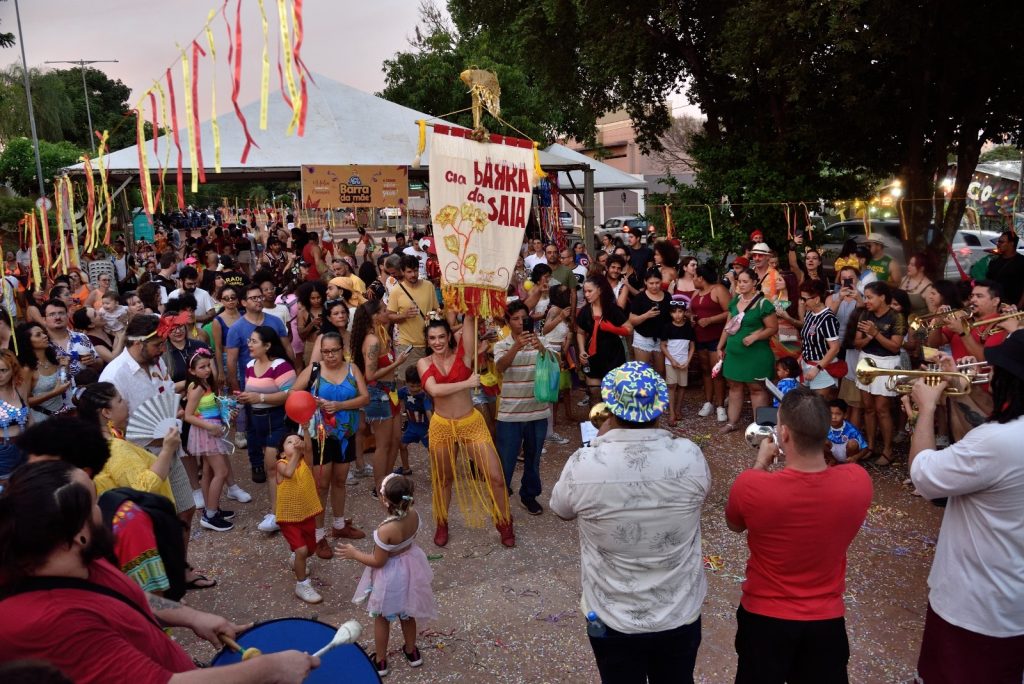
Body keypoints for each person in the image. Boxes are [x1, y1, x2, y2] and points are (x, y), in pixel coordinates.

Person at [0, 460, 320, 683]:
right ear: (76, 533)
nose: (104, 508)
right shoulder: (53, 621)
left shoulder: (77, 556)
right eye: (95, 503)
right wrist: (270, 669)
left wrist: (191, 617)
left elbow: (130, 598)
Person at [550, 362, 709, 683]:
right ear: (659, 407)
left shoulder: (584, 463)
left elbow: (560, 508)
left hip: (612, 616)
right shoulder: (690, 456)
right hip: (679, 612)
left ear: (610, 408)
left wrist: (599, 443)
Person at [726, 386, 873, 683]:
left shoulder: (751, 485)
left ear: (785, 434)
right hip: (826, 619)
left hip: (764, 616)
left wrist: (760, 464)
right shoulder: (858, 481)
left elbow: (735, 524)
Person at [907, 330, 1024, 684]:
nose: (990, 374)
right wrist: (963, 388)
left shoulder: (997, 442)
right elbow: (995, 425)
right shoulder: (1004, 436)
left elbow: (923, 475)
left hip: (975, 603)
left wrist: (926, 410)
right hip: (1011, 599)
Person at [417, 314, 514, 547]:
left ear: (449, 336)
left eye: (441, 336)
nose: (437, 342)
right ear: (427, 341)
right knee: (443, 479)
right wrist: (467, 383)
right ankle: (442, 522)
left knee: (496, 477)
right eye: (432, 338)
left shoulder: (464, 355)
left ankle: (504, 522)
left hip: (470, 422)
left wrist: (470, 304)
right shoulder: (424, 363)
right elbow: (434, 390)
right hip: (442, 425)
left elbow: (470, 320)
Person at [338, 473, 437, 677]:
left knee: (382, 617)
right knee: (407, 613)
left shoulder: (385, 530)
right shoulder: (414, 515)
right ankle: (412, 652)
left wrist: (354, 553)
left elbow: (378, 561)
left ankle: (381, 661)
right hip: (411, 567)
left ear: (384, 500)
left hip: (391, 577)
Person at [290, 331, 370, 559]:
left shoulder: (352, 369)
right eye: (325, 351)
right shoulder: (314, 369)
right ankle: (318, 534)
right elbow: (293, 392)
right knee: (321, 484)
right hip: (319, 436)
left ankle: (339, 524)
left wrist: (339, 405)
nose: (330, 355)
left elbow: (365, 398)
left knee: (340, 480)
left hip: (345, 435)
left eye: (334, 351)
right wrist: (310, 401)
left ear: (342, 349)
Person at [226, 284, 289, 483]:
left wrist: (292, 371)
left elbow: (286, 348)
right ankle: (257, 463)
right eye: (253, 298)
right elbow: (231, 361)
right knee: (253, 428)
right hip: (250, 382)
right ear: (244, 302)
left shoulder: (275, 321)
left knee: (278, 422)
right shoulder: (236, 328)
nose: (258, 300)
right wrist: (236, 389)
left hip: (276, 378)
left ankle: (280, 459)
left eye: (260, 297)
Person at [238, 326, 296, 534]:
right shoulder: (249, 365)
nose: (249, 344)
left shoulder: (280, 366)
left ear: (268, 345)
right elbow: (250, 393)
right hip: (257, 422)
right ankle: (280, 510)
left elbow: (291, 394)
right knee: (272, 467)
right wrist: (243, 399)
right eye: (249, 340)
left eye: (254, 341)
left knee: (273, 468)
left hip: (277, 420)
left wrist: (260, 397)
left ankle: (277, 514)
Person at [494, 300, 549, 516]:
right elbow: (500, 367)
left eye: (523, 319)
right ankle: (500, 497)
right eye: (515, 319)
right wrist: (516, 346)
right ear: (508, 322)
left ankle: (529, 495)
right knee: (506, 460)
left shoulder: (541, 340)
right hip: (510, 413)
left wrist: (541, 348)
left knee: (533, 459)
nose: (519, 323)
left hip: (538, 410)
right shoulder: (501, 344)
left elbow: (555, 363)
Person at [352, 300, 408, 495]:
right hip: (379, 392)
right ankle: (379, 487)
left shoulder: (381, 334)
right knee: (383, 444)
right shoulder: (372, 341)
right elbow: (370, 375)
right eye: (384, 310)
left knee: (395, 439)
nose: (388, 312)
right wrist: (397, 363)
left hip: (390, 391)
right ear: (374, 316)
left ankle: (387, 480)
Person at [718, 268, 779, 434]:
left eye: (745, 281)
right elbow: (728, 326)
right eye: (739, 281)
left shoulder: (763, 303)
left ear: (754, 283)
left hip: (756, 354)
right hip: (734, 353)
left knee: (757, 388)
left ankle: (762, 426)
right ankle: (732, 422)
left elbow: (773, 328)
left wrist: (755, 337)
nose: (741, 284)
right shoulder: (736, 300)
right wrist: (720, 346)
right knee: (734, 387)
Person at [853, 282, 906, 465]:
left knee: (882, 409)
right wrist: (868, 337)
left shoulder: (896, 317)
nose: (866, 301)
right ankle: (870, 446)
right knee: (868, 408)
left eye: (869, 297)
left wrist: (875, 334)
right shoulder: (865, 314)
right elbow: (857, 343)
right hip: (866, 360)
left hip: (887, 363)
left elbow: (895, 347)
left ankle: (888, 450)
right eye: (865, 297)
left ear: (882, 297)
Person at [182, 349, 234, 532]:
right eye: (201, 367)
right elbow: (188, 415)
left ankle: (211, 508)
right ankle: (210, 515)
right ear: (192, 371)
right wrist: (210, 426)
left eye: (208, 366)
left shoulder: (205, 384)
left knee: (208, 471)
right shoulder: (197, 388)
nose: (207, 370)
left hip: (209, 430)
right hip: (206, 433)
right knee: (222, 471)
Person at [273, 427, 324, 604]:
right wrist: (297, 452)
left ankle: (296, 558)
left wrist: (306, 429)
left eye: (297, 440)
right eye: (289, 442)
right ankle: (302, 585)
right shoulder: (281, 464)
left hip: (306, 514)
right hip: (288, 518)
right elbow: (289, 473)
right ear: (282, 452)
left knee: (310, 550)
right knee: (302, 550)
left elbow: (308, 449)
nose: (294, 442)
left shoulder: (305, 461)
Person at [576, 276, 632, 408]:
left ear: (600, 290)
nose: (586, 294)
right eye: (585, 291)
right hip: (592, 356)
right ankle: (595, 419)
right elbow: (580, 332)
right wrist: (582, 350)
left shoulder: (613, 310)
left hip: (613, 355)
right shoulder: (585, 311)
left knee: (611, 394)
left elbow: (629, 329)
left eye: (590, 291)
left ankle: (612, 419)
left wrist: (613, 329)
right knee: (594, 392)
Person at [385, 254, 439, 378]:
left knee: (429, 381)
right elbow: (389, 316)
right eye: (409, 272)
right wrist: (404, 315)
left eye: (415, 270)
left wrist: (436, 316)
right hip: (408, 345)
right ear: (402, 272)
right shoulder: (396, 291)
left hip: (430, 344)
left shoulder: (428, 286)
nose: (413, 274)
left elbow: (435, 310)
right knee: (408, 382)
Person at [15, 322, 72, 423]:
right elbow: (24, 401)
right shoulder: (27, 369)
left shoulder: (54, 360)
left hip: (61, 416)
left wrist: (65, 367)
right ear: (27, 341)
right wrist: (54, 393)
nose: (45, 336)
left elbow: (63, 384)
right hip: (41, 420)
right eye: (38, 335)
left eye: (44, 333)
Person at [660, 294, 696, 425]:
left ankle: (678, 409)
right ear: (670, 314)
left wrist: (688, 361)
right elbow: (663, 346)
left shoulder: (688, 327)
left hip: (684, 362)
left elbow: (692, 346)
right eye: (674, 312)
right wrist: (672, 360)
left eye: (680, 311)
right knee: (671, 386)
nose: (677, 315)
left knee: (682, 386)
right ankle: (672, 413)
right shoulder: (667, 327)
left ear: (684, 312)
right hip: (671, 362)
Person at [43, 299, 100, 379]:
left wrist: (93, 361)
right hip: (58, 386)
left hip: (86, 385)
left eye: (61, 313)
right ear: (44, 320)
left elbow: (99, 365)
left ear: (67, 316)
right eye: (52, 314)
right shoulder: (43, 344)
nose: (58, 317)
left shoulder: (81, 337)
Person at [628, 268, 670, 374]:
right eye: (651, 283)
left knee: (660, 370)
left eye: (657, 283)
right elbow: (632, 320)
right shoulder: (640, 298)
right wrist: (646, 315)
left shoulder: (667, 296)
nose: (654, 286)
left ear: (661, 281)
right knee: (643, 370)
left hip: (661, 338)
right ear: (645, 282)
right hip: (643, 337)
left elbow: (670, 317)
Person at [396, 366, 431, 476]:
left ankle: (439, 471)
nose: (415, 389)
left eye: (418, 385)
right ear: (406, 383)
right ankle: (405, 468)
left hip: (425, 428)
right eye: (412, 386)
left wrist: (432, 427)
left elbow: (429, 411)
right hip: (412, 427)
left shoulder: (424, 395)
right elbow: (395, 400)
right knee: (402, 445)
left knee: (433, 450)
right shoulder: (403, 391)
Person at [985, 230, 1024, 307]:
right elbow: (988, 282)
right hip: (994, 304)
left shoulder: (1021, 261)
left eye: (1001, 242)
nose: (998, 244)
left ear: (1011, 244)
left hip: (1012, 306)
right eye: (998, 241)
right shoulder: (994, 261)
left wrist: (1019, 306)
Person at [827, 398, 866, 463]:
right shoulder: (824, 427)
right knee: (820, 441)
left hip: (848, 454)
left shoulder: (851, 429)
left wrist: (855, 457)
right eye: (831, 413)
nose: (833, 417)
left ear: (845, 415)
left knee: (852, 444)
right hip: (832, 452)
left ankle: (849, 462)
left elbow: (865, 448)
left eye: (838, 414)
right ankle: (832, 460)